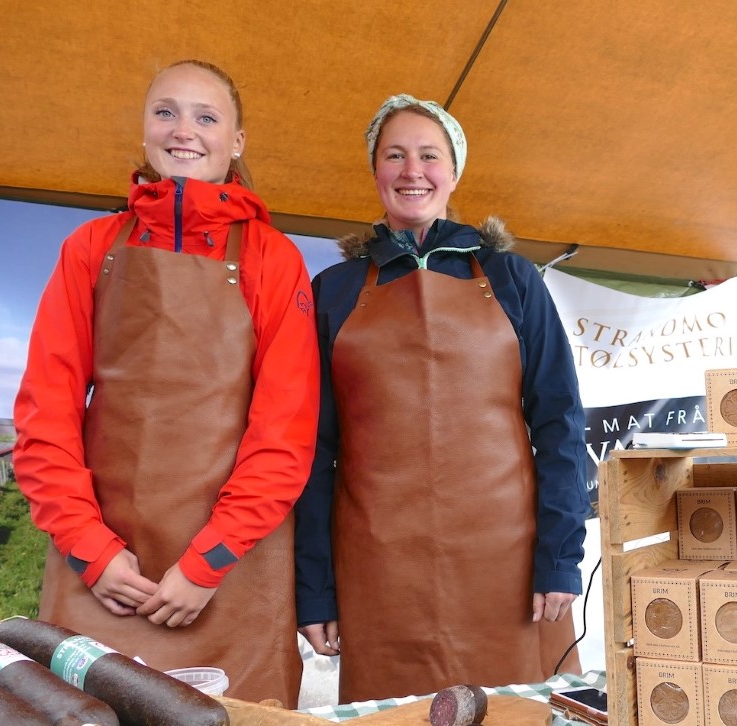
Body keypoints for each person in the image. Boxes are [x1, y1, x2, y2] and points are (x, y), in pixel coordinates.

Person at [12, 59, 319, 707]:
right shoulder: (89, 247)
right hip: (98, 572)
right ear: (145, 129)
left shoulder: (274, 258)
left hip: (231, 574)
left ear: (236, 141)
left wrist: (209, 560)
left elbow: (285, 431)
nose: (185, 130)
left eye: (206, 117)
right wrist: (91, 552)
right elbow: (47, 414)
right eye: (167, 112)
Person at [296, 93, 590, 703]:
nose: (412, 172)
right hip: (378, 569)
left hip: (508, 569)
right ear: (375, 170)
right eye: (394, 155)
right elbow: (313, 451)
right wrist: (317, 589)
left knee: (516, 713)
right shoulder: (333, 289)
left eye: (429, 156)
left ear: (453, 171)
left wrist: (559, 557)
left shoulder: (512, 278)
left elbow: (560, 424)